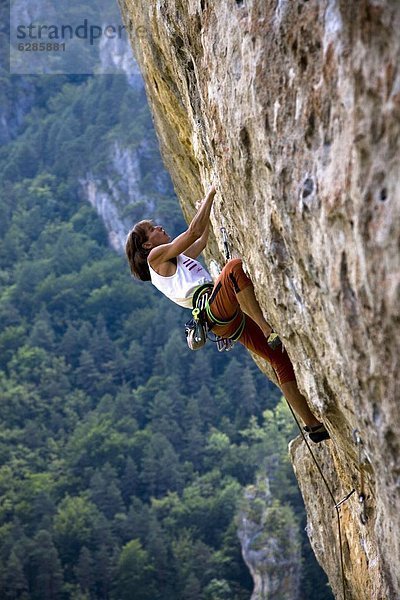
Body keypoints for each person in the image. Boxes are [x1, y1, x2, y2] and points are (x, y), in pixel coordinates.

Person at [125, 184, 330, 443]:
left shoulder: (174, 260)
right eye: (153, 229)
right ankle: (267, 329)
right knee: (233, 268)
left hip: (220, 320)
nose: (160, 228)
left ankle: (312, 426)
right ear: (146, 245)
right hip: (212, 307)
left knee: (279, 360)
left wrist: (206, 212)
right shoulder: (156, 258)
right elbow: (192, 232)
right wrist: (210, 195)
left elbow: (201, 240)